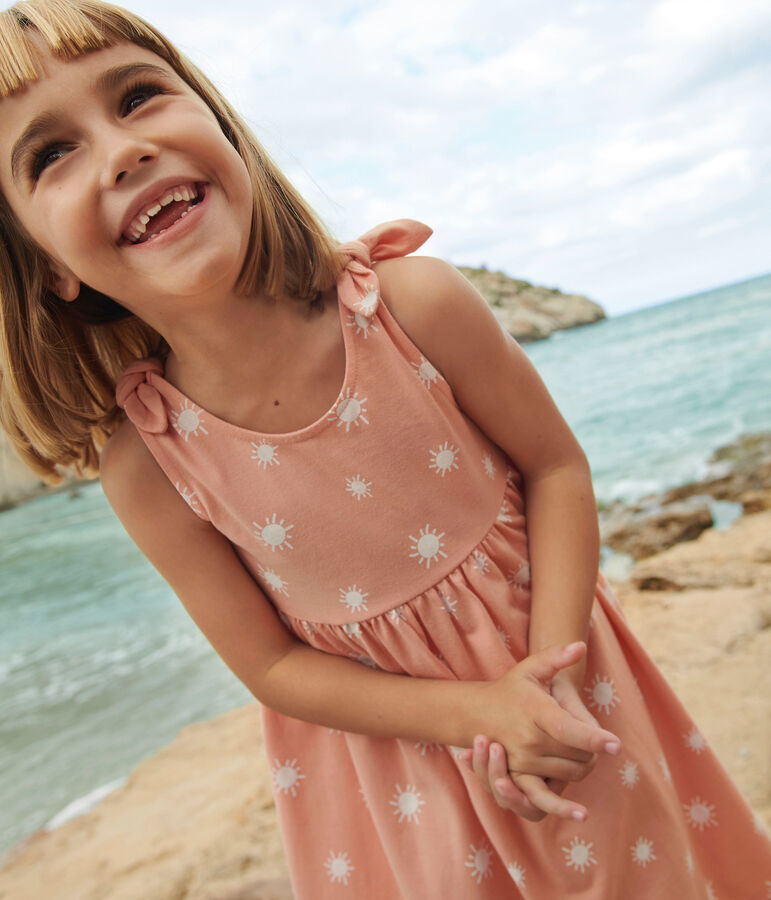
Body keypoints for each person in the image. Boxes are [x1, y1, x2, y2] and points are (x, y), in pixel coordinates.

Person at [0, 1, 768, 896]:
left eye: (138, 96)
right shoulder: (151, 466)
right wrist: (475, 713)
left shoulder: (412, 306)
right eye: (50, 154)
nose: (122, 150)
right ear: (48, 264)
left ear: (222, 127)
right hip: (406, 769)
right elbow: (271, 665)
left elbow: (554, 468)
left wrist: (548, 676)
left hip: (562, 689)